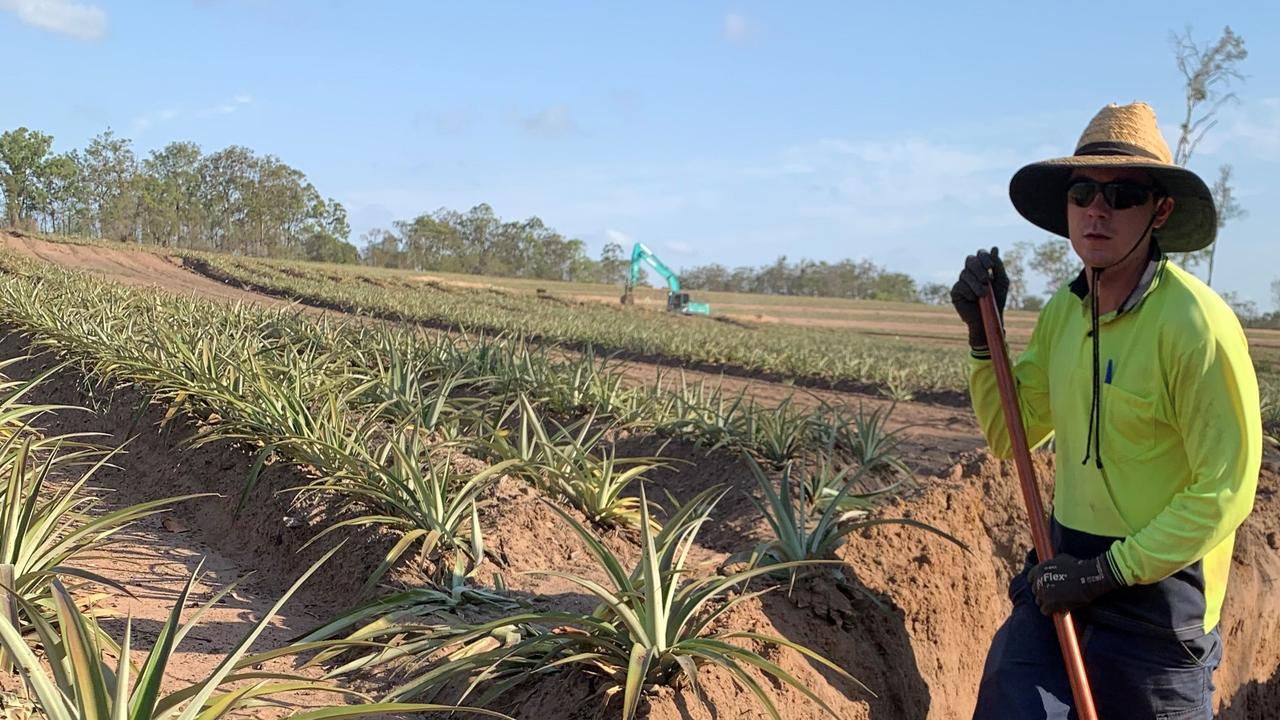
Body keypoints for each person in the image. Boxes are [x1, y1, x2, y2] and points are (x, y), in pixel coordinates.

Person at [951, 101, 1261, 718]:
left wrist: (1107, 573)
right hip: (1061, 572)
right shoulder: (1064, 313)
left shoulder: (1197, 326)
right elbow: (1011, 434)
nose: (1098, 209)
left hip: (1161, 605)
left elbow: (1225, 491)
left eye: (1122, 195)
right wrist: (983, 341)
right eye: (1084, 191)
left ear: (1160, 211)